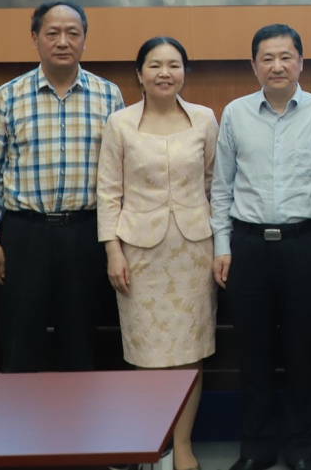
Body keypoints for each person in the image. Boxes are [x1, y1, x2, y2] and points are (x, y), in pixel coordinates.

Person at [211, 24, 311, 470]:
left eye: (286, 57)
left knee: (303, 353)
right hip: (247, 246)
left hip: (305, 245)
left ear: (301, 62)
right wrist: (222, 245)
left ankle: (300, 451)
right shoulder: (235, 114)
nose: (277, 66)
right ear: (253, 65)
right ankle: (257, 448)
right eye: (267, 58)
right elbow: (222, 187)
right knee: (253, 354)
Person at [0, 0, 124, 372]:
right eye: (52, 33)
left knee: (81, 345)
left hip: (84, 234)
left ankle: (80, 411)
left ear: (84, 39)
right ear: (35, 38)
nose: (62, 41)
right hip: (24, 235)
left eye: (72, 33)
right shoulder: (8, 96)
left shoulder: (109, 95)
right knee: (19, 344)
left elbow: (119, 173)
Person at [96, 37, 217, 470]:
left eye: (174, 65)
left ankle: (182, 446)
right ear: (139, 74)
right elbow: (108, 192)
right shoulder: (120, 123)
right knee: (146, 352)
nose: (165, 73)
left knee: (190, 350)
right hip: (138, 253)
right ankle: (152, 442)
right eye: (155, 65)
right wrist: (113, 251)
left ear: (184, 71)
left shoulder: (204, 118)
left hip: (193, 250)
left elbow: (213, 182)